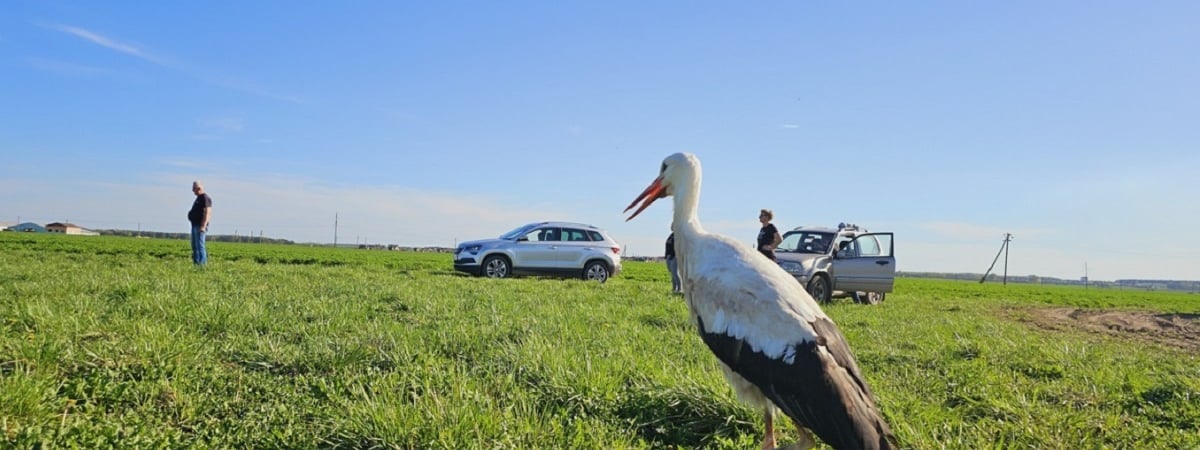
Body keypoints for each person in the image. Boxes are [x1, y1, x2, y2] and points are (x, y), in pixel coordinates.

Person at [188, 181, 212, 265]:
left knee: (200, 246)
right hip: (195, 225)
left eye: (193, 188)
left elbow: (207, 212)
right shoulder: (199, 198)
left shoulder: (205, 198)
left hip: (200, 226)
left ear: (199, 188)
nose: (192, 190)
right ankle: (196, 264)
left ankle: (202, 265)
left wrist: (203, 225)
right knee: (195, 246)